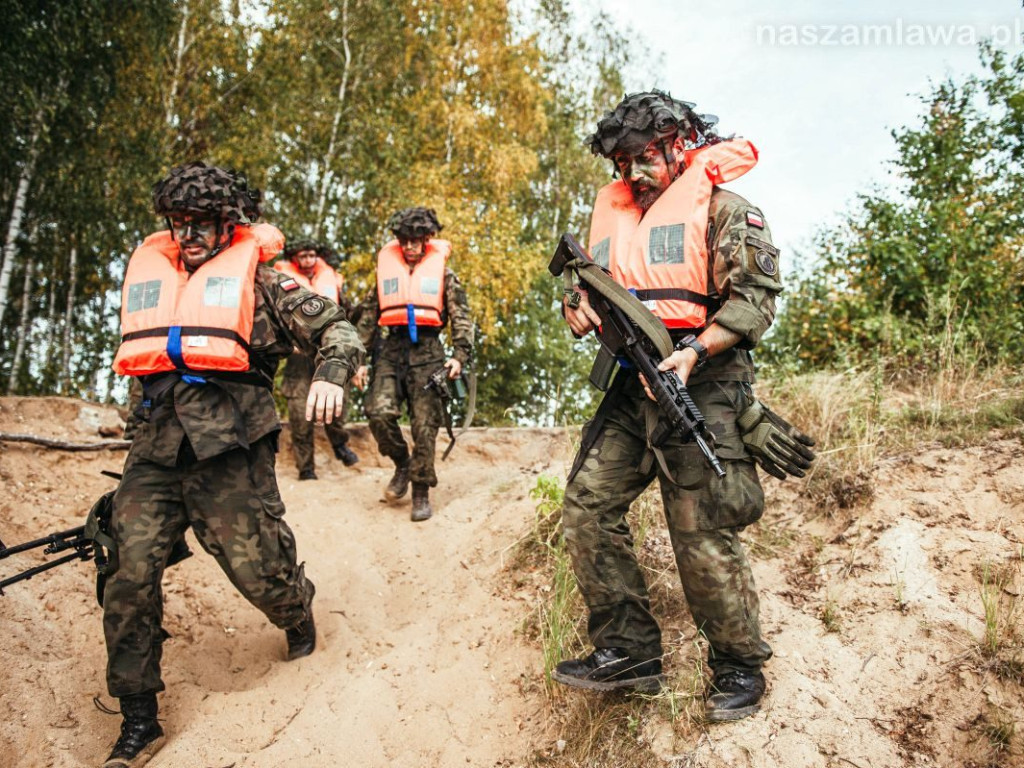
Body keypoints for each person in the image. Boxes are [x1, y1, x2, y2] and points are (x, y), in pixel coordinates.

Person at [101, 162, 364, 767]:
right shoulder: (156, 279)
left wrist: (331, 374)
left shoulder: (264, 283)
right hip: (155, 452)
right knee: (127, 574)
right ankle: (139, 717)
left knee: (260, 573)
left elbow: (340, 331)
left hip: (231, 449)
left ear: (229, 227)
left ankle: (296, 612)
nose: (189, 234)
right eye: (180, 223)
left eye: (203, 223)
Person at [553, 91, 782, 722]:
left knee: (700, 524)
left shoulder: (727, 211)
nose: (632, 174)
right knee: (587, 506)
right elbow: (586, 283)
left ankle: (738, 664)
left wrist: (695, 351)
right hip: (632, 384)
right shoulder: (617, 213)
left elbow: (755, 302)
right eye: (621, 164)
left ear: (679, 143)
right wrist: (575, 304)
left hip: (702, 380)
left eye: (644, 158)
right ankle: (629, 653)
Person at [360, 207, 473, 522]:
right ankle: (402, 463)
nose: (409, 247)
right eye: (404, 241)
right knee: (378, 412)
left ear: (427, 239)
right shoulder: (384, 274)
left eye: (416, 240)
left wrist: (460, 356)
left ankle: (421, 490)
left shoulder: (445, 276)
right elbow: (367, 319)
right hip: (391, 350)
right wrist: (358, 361)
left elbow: (462, 317)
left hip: (429, 352)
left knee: (425, 425)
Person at [275, 239, 364, 479]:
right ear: (294, 259)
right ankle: (306, 470)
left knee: (335, 406)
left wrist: (356, 359)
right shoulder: (281, 282)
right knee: (299, 415)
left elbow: (347, 317)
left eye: (311, 255)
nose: (307, 261)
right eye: (302, 256)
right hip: (298, 359)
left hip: (328, 354)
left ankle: (339, 444)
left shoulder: (332, 279)